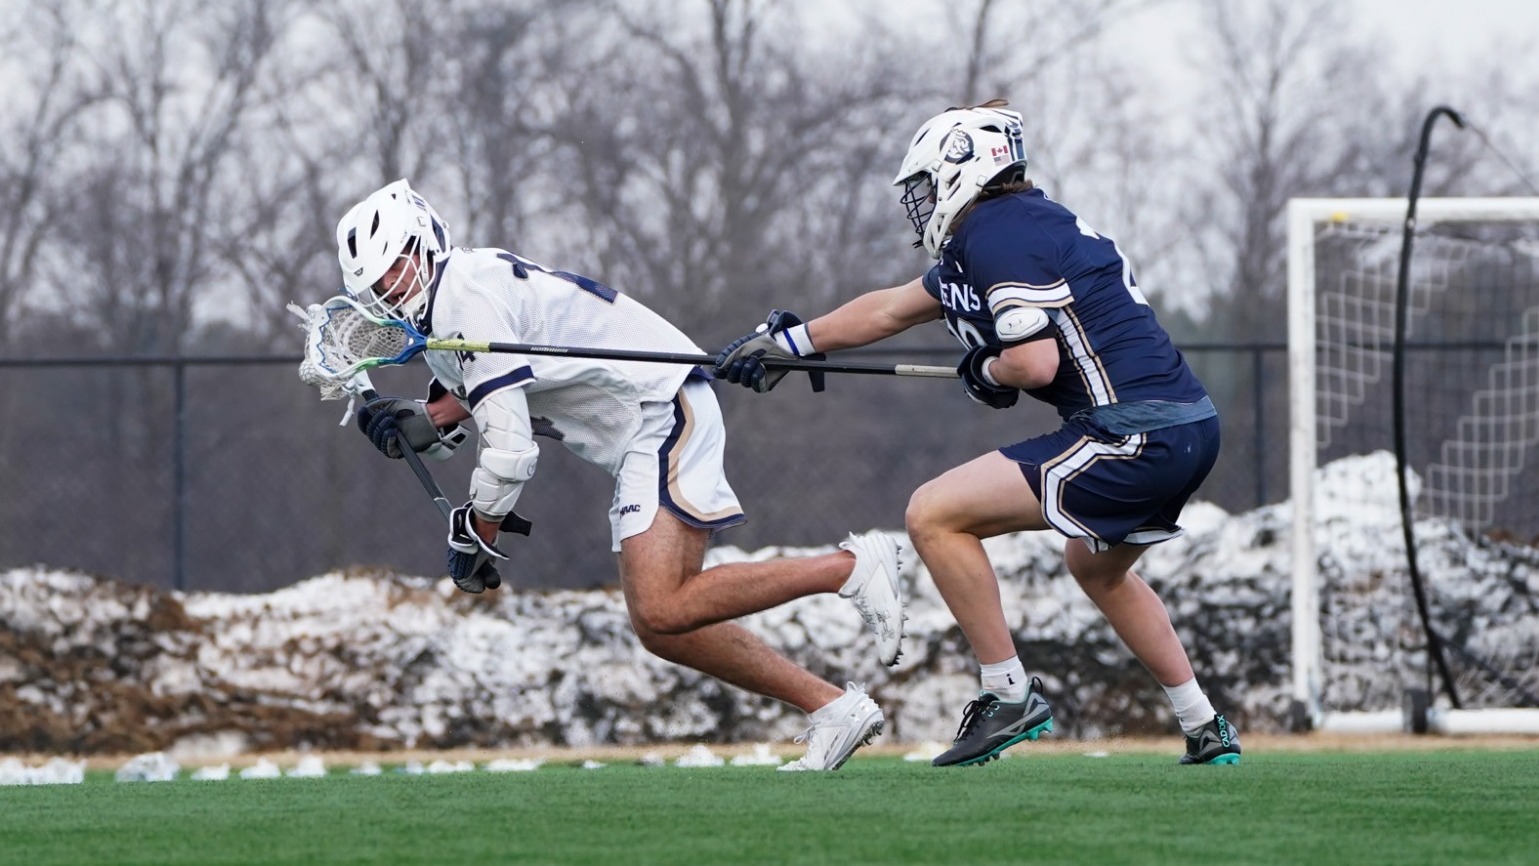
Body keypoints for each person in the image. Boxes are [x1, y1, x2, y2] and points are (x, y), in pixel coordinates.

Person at [714, 101, 1240, 767]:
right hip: (1187, 426)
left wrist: (985, 368)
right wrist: (788, 344)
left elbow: (1032, 363)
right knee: (1097, 568)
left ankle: (1008, 694)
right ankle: (1202, 723)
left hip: (1130, 433)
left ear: (963, 165)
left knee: (934, 513)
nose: (921, 203)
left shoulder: (996, 234)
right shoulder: (1006, 228)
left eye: (926, 185)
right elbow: (888, 309)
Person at [334, 178, 905, 771]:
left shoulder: (464, 299)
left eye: (396, 266)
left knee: (661, 607)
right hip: (644, 425)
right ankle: (832, 707)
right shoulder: (453, 303)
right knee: (662, 624)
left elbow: (509, 450)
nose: (389, 288)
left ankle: (852, 567)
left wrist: (480, 531)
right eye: (376, 283)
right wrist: (419, 421)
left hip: (662, 410)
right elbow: (480, 401)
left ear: (425, 242)